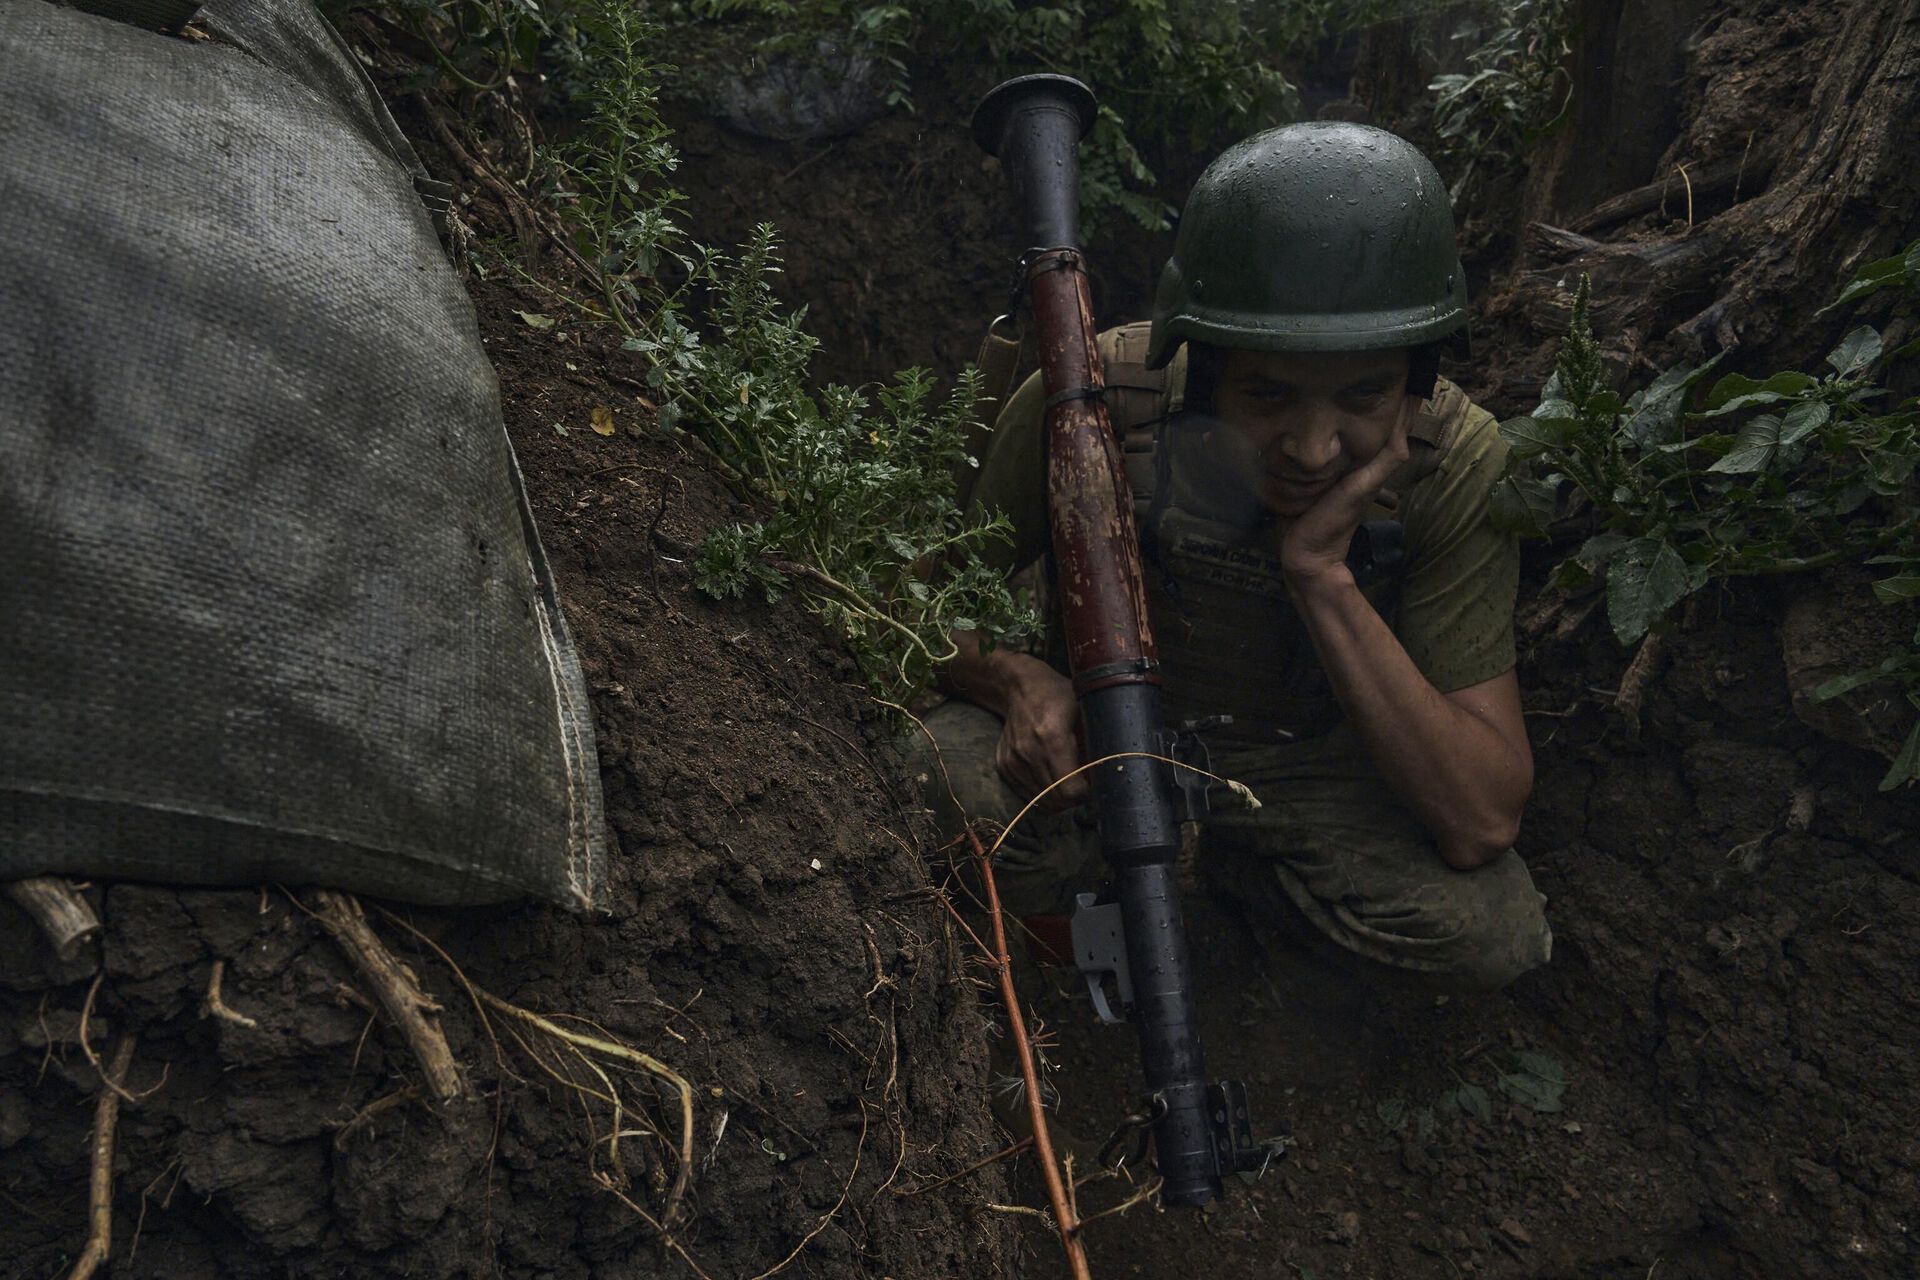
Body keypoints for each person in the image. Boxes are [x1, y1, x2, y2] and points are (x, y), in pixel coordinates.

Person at [924, 121, 1551, 996]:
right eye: (1268, 395)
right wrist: (1018, 682)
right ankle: (1039, 963)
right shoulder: (1091, 403)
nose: (1313, 448)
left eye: (1365, 393)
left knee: (1489, 932)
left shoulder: (1458, 464)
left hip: (1301, 766)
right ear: (1206, 368)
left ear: (1417, 375)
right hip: (1099, 738)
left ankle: (1253, 902)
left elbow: (1482, 820)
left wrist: (1322, 576)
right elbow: (914, 607)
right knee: (927, 781)